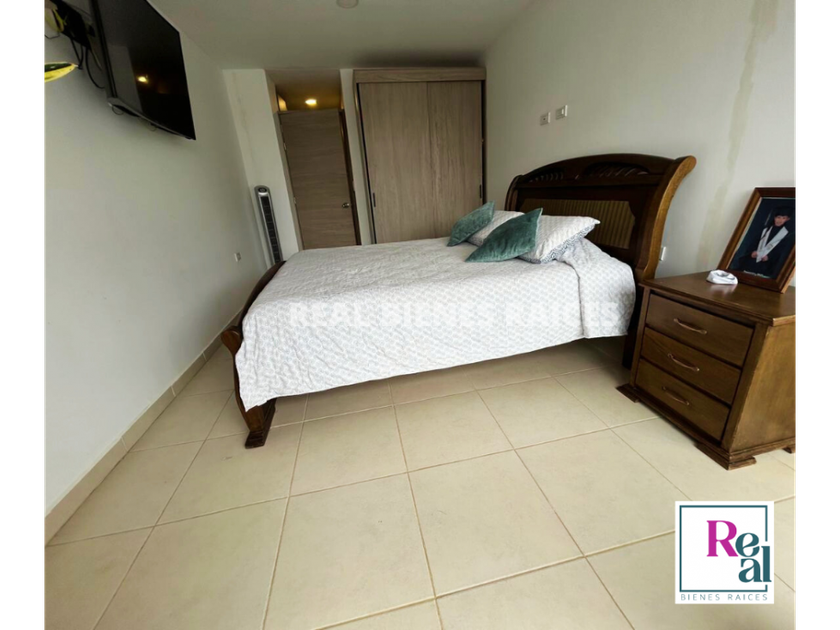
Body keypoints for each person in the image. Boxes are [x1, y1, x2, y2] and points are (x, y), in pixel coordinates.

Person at [734, 207, 796, 278]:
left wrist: (769, 257)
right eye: (778, 217)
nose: (780, 220)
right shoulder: (765, 230)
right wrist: (752, 252)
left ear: (787, 219)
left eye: (784, 218)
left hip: (768, 264)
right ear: (774, 217)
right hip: (754, 259)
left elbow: (781, 251)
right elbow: (754, 243)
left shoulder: (787, 235)